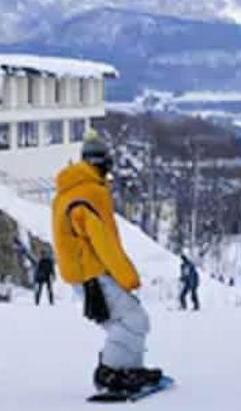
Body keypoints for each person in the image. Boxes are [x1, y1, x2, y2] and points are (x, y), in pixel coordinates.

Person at [53, 130, 162, 394]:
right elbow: (103, 242)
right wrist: (127, 277)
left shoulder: (72, 191)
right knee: (133, 320)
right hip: (92, 273)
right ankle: (111, 373)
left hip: (86, 272)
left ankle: (129, 368)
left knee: (123, 321)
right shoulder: (87, 195)